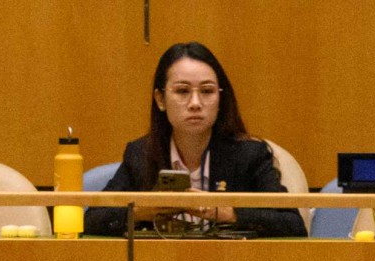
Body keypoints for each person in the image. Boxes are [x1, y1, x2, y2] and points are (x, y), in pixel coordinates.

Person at [83, 42, 304, 238]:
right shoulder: (141, 154)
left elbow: (292, 225)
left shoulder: (249, 155)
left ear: (220, 99)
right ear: (160, 99)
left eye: (207, 91)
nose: (195, 103)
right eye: (182, 91)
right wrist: (144, 210)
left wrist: (223, 212)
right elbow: (92, 220)